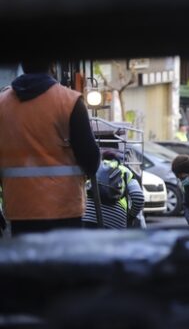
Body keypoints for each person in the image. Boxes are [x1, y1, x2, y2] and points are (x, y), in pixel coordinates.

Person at [0, 60, 100, 236]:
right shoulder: (69, 102)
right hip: (64, 211)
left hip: (20, 211)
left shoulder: (2, 104)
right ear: (53, 65)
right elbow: (91, 161)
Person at [82, 153, 145, 230]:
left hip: (88, 215)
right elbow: (138, 198)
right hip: (116, 220)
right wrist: (131, 217)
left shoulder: (94, 167)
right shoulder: (124, 171)